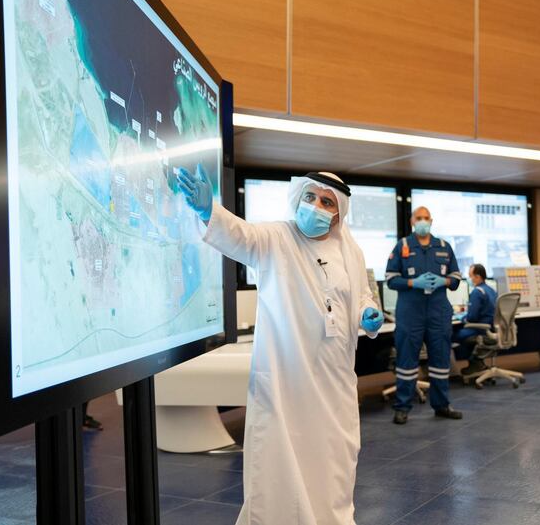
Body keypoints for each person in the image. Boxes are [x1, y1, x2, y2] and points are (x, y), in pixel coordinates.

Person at [176, 167, 384, 525]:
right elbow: (241, 236)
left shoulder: (351, 251)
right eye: (310, 197)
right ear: (298, 198)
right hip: (286, 382)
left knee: (333, 462)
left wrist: (368, 311)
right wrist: (208, 211)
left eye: (326, 201)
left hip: (334, 385)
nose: (316, 206)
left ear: (338, 212)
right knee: (279, 464)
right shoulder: (276, 239)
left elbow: (361, 295)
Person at [385, 206, 464, 425]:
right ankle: (402, 407)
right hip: (410, 311)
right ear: (412, 221)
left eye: (425, 218)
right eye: (418, 218)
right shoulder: (402, 247)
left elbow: (457, 278)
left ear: (431, 220)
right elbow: (391, 279)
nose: (422, 221)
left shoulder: (444, 247)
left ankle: (442, 405)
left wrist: (445, 281)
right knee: (407, 361)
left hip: (438, 311)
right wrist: (412, 282)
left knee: (440, 361)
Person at [453, 264, 497, 376]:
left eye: (470, 276)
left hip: (479, 329)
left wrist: (461, 318)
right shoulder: (491, 290)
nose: (469, 279)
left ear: (477, 276)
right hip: (490, 329)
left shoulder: (477, 292)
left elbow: (472, 318)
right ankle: (476, 363)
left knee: (451, 335)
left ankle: (470, 365)